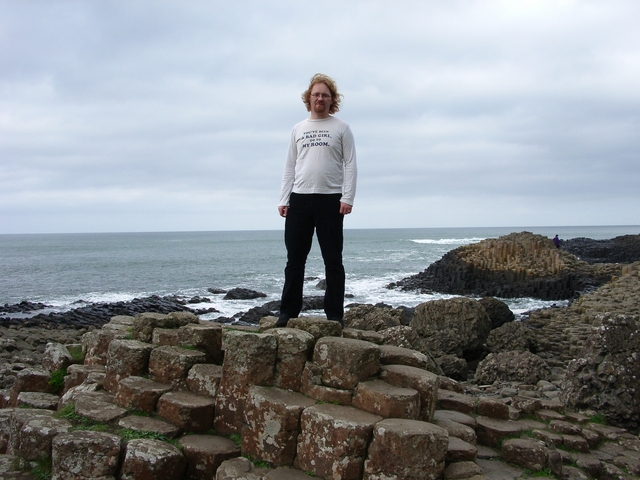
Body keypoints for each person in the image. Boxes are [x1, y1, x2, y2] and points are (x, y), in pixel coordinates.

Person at [276, 74, 357, 327]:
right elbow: (290, 166)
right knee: (295, 261)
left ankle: (334, 315)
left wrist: (348, 197)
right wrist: (283, 199)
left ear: (332, 99)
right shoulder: (298, 129)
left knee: (333, 261)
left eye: (325, 94)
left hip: (331, 201)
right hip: (299, 200)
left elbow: (351, 164)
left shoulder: (341, 128)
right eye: (316, 94)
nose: (320, 98)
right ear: (308, 98)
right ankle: (288, 312)